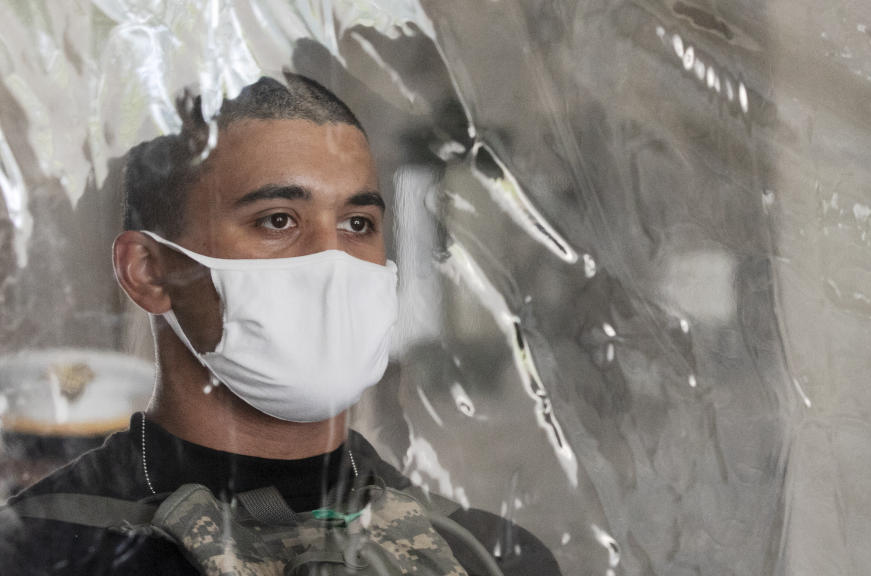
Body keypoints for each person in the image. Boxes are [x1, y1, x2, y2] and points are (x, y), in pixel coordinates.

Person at [0, 72, 560, 576]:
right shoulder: (47, 550)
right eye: (277, 220)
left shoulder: (479, 556)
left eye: (357, 223)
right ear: (148, 271)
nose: (331, 260)